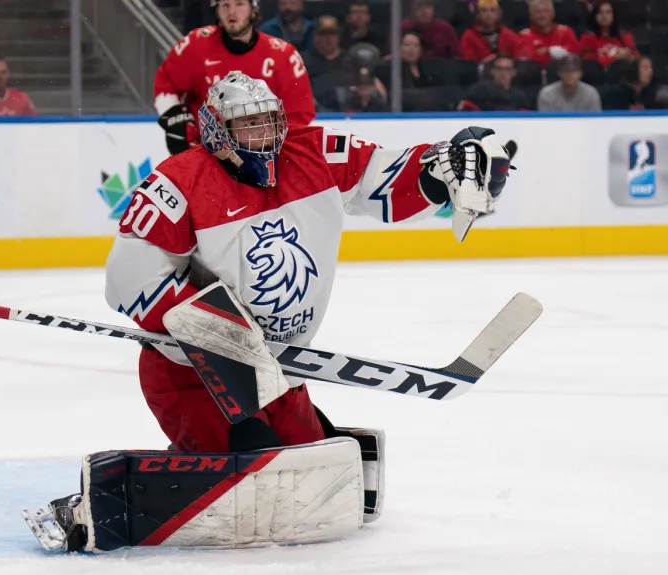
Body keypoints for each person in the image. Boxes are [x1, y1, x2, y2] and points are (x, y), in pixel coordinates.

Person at [26, 71, 512, 554]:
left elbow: (387, 177)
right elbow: (129, 279)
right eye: (247, 125)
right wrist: (225, 338)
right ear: (217, 131)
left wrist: (438, 169)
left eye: (268, 122)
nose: (263, 135)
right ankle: (91, 507)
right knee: (249, 486)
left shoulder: (313, 151)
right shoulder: (179, 181)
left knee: (317, 481)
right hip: (194, 374)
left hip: (277, 371)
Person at [153, 0, 315, 156]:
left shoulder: (283, 55)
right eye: (225, 4)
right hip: (202, 154)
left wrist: (270, 144)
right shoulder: (196, 45)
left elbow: (298, 113)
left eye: (239, 4)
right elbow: (166, 85)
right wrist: (176, 120)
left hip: (262, 156)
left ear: (253, 8)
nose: (232, 11)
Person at [518, 0, 579, 68]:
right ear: (531, 16)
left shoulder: (566, 31)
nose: (542, 15)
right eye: (538, 12)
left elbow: (573, 57)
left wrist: (548, 51)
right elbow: (529, 62)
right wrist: (558, 53)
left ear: (553, 14)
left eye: (546, 11)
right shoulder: (525, 35)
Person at [460, 0, 524, 64]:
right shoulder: (469, 36)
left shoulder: (508, 35)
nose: (488, 14)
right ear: (478, 14)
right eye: (484, 10)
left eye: (492, 10)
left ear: (498, 14)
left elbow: (519, 59)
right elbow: (468, 63)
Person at [459, 54, 532, 111]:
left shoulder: (519, 96)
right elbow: (464, 109)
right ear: (493, 71)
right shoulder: (480, 90)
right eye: (499, 68)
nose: (503, 72)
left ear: (514, 72)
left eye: (507, 69)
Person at [580, 0, 635, 69]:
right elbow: (590, 65)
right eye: (600, 12)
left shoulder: (625, 36)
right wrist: (615, 57)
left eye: (608, 12)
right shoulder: (587, 37)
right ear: (594, 16)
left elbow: (636, 59)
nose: (604, 16)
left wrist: (628, 55)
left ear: (613, 15)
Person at [537, 54, 601, 111]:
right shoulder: (547, 94)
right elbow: (546, 122)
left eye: (574, 70)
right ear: (559, 73)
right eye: (566, 70)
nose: (570, 74)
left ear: (581, 73)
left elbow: (596, 121)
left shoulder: (591, 93)